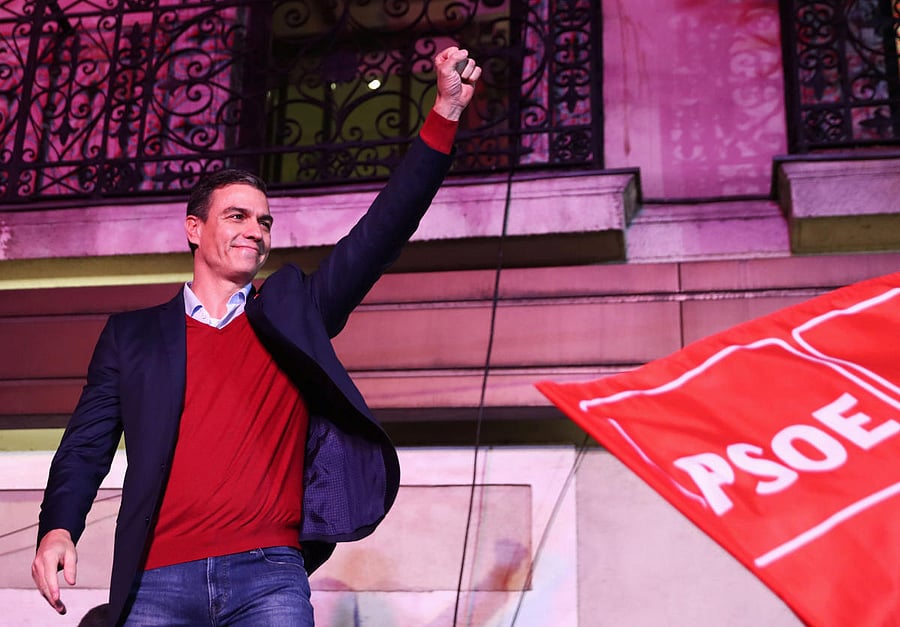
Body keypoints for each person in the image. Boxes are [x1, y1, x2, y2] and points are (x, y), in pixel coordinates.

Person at [31, 46, 481, 626]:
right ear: (194, 229)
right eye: (237, 216)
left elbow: (382, 231)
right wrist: (58, 527)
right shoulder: (132, 336)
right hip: (156, 578)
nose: (256, 231)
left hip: (268, 576)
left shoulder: (292, 314)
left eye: (264, 220)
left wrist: (444, 113)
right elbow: (84, 446)